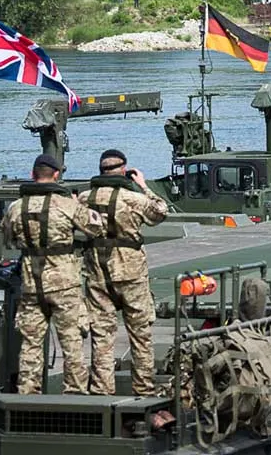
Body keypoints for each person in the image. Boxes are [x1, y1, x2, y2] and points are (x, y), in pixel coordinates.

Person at [2, 153, 103, 394]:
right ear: (56, 175)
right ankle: (75, 393)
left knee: (30, 345)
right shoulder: (67, 205)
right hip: (64, 284)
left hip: (31, 284)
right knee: (72, 343)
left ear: (32, 174)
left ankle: (27, 394)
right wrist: (82, 206)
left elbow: (8, 238)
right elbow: (95, 227)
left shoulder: (16, 208)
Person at [81, 149, 169, 397]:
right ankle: (144, 391)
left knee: (102, 337)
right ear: (123, 170)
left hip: (98, 274)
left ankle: (102, 391)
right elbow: (160, 211)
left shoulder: (85, 198)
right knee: (140, 336)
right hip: (131, 276)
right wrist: (143, 185)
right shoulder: (133, 199)